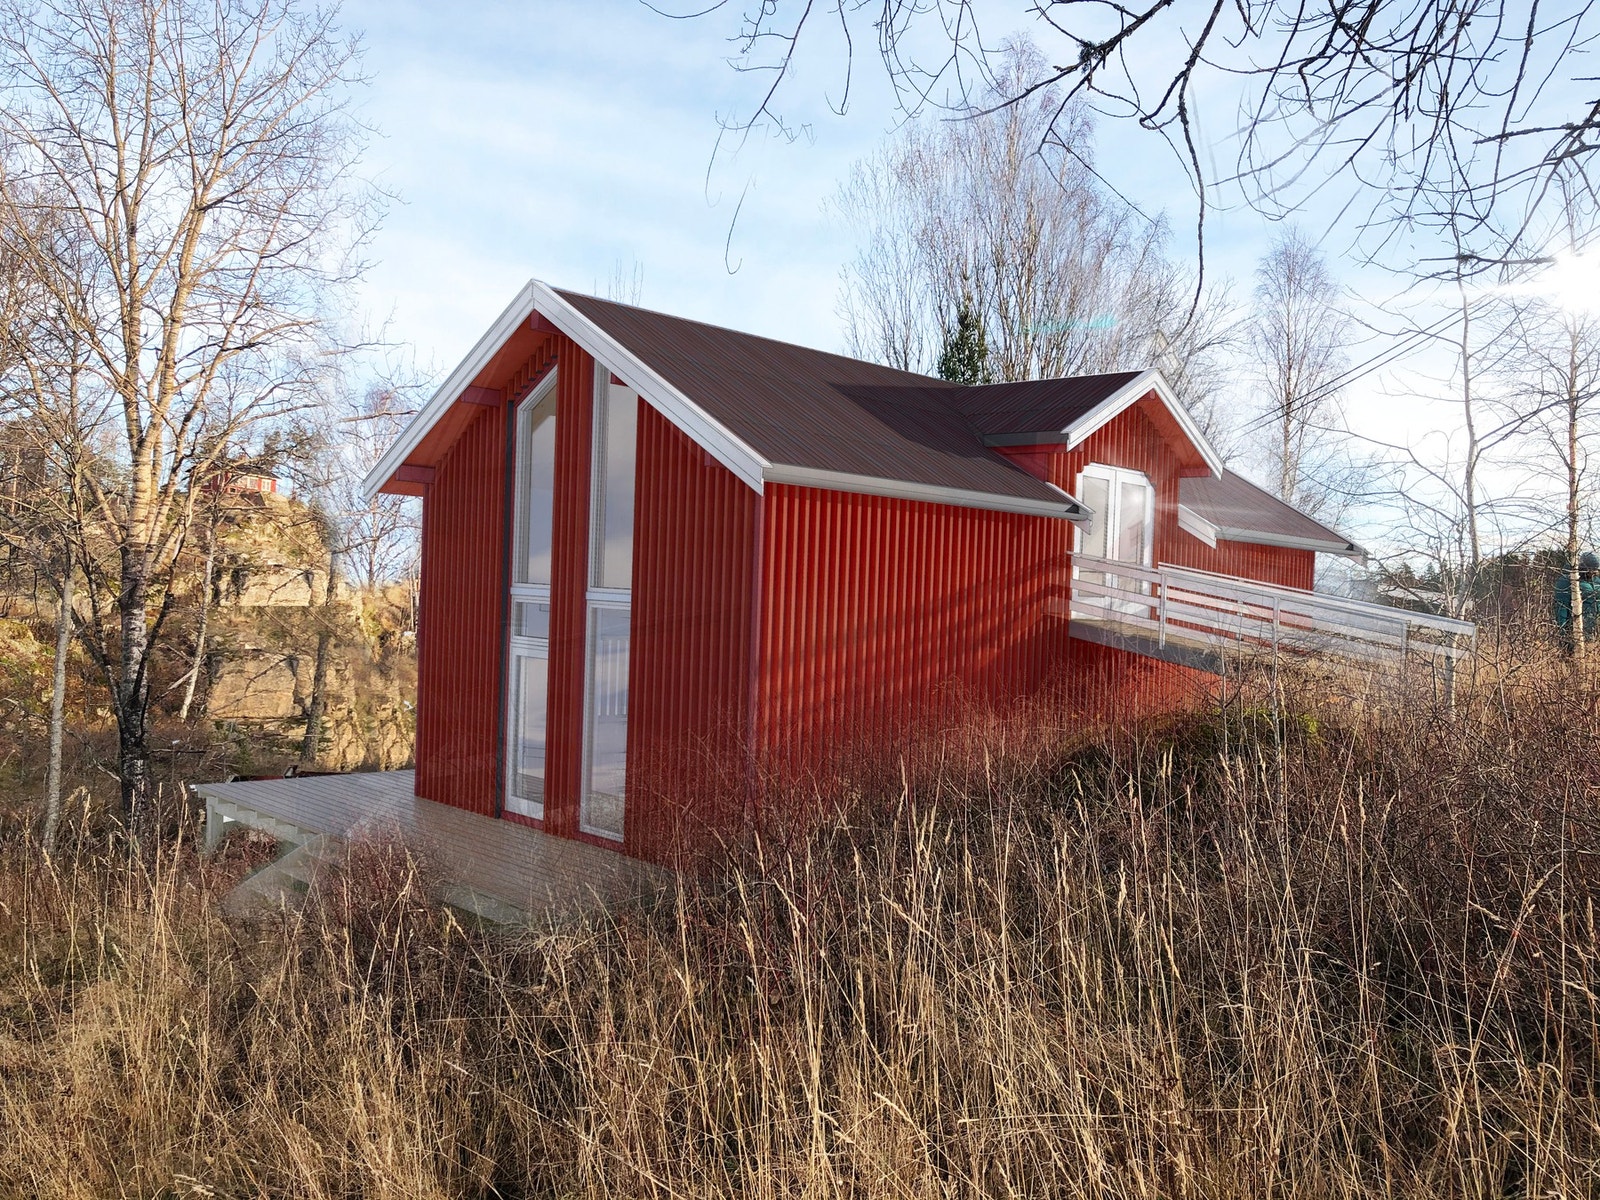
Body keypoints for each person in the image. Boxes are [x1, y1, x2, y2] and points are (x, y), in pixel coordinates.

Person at [1554, 551, 1600, 649]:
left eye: (1596, 570)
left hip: (1592, 629)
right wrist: (1563, 634)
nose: (1594, 572)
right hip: (1575, 630)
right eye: (1592, 570)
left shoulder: (1596, 581)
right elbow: (1561, 608)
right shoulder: (1567, 581)